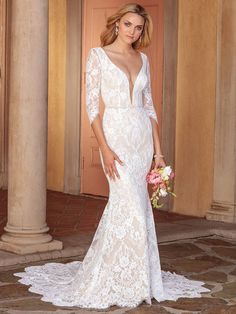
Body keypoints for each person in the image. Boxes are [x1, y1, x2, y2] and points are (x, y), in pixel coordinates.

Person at [14, 3, 209, 310]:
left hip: (141, 139)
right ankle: (119, 277)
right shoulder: (98, 56)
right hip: (115, 134)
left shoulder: (142, 59)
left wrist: (158, 152)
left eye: (139, 27)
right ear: (118, 24)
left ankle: (139, 277)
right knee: (126, 201)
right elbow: (92, 108)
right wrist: (104, 147)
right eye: (128, 24)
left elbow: (150, 108)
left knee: (139, 206)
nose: (133, 31)